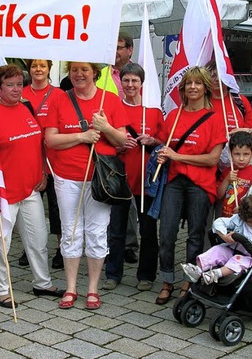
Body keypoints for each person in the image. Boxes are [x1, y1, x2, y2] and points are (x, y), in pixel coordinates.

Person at [44, 61, 128, 310]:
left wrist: (106, 128)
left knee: (97, 232)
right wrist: (81, 136)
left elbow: (122, 140)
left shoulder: (110, 100)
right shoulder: (59, 99)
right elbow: (50, 140)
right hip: (67, 177)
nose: (79, 74)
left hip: (100, 179)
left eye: (85, 69)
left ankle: (92, 288)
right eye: (74, 70)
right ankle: (71, 288)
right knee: (70, 231)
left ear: (95, 73)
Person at [0, 64, 64, 308]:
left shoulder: (27, 107)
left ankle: (42, 283)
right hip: (3, 192)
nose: (16, 89)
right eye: (10, 85)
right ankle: (0, 290)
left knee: (37, 239)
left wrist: (42, 172)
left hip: (30, 188)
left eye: (19, 84)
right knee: (0, 244)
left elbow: (37, 144)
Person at [155, 66, 227, 305]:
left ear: (206, 87)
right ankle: (166, 280)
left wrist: (177, 157)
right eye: (188, 84)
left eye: (197, 83)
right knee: (166, 233)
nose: (193, 88)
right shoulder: (174, 116)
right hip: (174, 182)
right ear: (183, 89)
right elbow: (165, 144)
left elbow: (212, 159)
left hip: (200, 184)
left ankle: (189, 281)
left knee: (195, 236)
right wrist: (162, 154)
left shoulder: (215, 118)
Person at [102, 63, 164, 292]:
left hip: (145, 181)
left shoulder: (154, 112)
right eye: (126, 80)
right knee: (116, 229)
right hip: (119, 179)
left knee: (147, 230)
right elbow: (104, 143)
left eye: (134, 81)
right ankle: (113, 273)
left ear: (141, 83)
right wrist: (119, 146)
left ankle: (146, 275)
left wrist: (153, 141)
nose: (130, 85)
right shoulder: (114, 108)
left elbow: (165, 143)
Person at [97, 31, 140, 264]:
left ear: (130, 50)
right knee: (110, 192)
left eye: (120, 47)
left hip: (132, 140)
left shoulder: (138, 72)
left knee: (130, 198)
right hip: (109, 139)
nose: (115, 51)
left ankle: (130, 245)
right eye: (112, 46)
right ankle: (108, 242)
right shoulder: (102, 74)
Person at [20, 58, 66, 270]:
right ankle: (29, 248)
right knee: (27, 207)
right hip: (29, 159)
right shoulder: (20, 94)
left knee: (57, 208)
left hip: (54, 160)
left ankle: (60, 249)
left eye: (42, 66)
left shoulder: (58, 95)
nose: (38, 69)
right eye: (34, 66)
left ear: (49, 69)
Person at [182, 195, 252, 284]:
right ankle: (198, 270)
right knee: (217, 250)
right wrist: (224, 236)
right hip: (231, 250)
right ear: (250, 221)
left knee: (237, 260)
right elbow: (218, 222)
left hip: (248, 258)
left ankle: (216, 274)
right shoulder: (239, 221)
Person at [217, 131, 252, 218]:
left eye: (246, 154)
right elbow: (218, 195)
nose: (241, 158)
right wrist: (227, 180)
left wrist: (244, 208)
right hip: (226, 217)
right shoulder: (227, 172)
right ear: (230, 154)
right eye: (236, 154)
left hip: (245, 219)